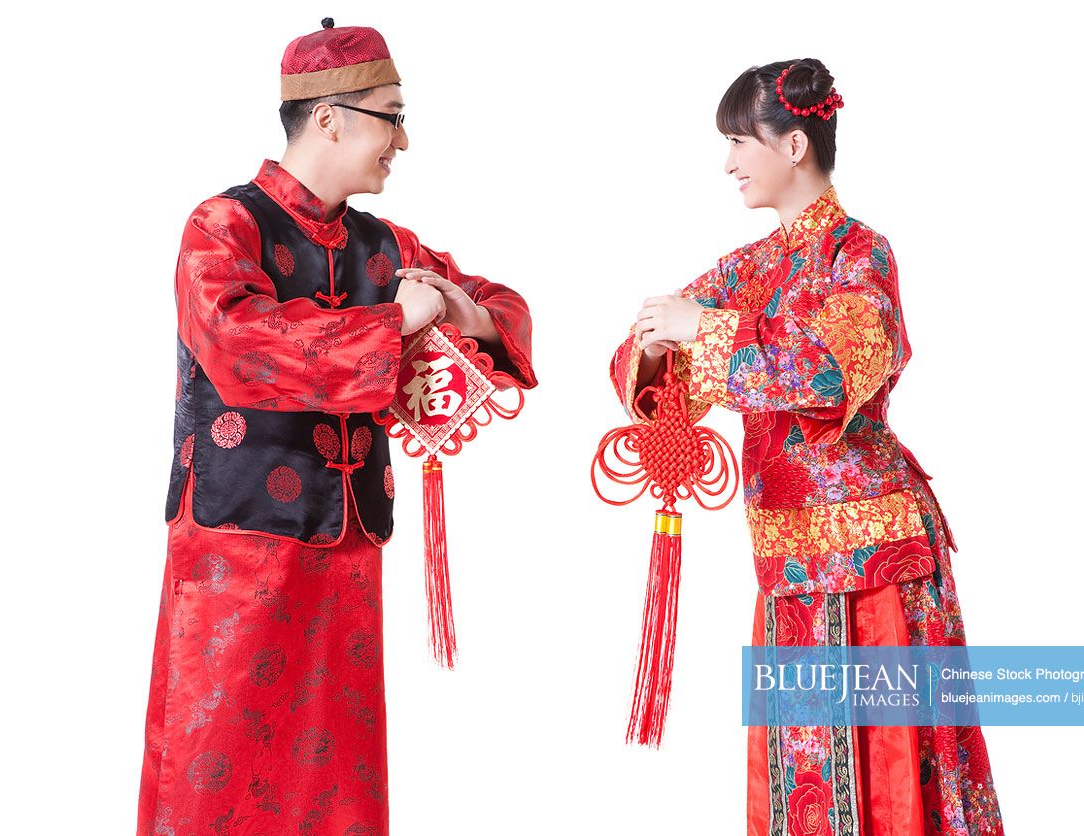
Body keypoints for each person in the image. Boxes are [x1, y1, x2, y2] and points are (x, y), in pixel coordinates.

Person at [136, 19, 536, 835]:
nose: (405, 139)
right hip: (238, 540)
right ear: (329, 117)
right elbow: (239, 346)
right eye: (391, 115)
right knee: (214, 761)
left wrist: (466, 312)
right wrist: (391, 323)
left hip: (346, 546)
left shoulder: (386, 243)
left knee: (336, 774)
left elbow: (504, 309)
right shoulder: (222, 226)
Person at [609, 58, 1003, 835]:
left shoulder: (859, 253)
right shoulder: (750, 269)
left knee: (896, 770)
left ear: (793, 145)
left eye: (738, 141)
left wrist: (704, 330)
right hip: (787, 560)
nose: (727, 163)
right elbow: (650, 369)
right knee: (805, 774)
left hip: (875, 555)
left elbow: (833, 372)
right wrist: (657, 347)